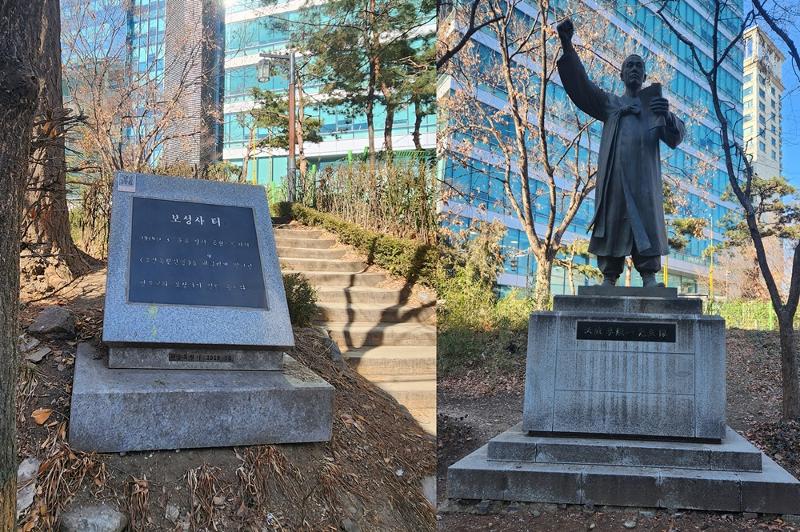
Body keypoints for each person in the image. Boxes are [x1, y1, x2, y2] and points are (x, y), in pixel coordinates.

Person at [556, 18, 685, 287]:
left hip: (644, 181)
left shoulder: (654, 105)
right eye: (630, 65)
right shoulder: (611, 104)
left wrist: (669, 117)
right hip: (615, 177)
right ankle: (609, 275)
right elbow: (583, 88)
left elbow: (676, 137)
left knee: (646, 222)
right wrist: (568, 45)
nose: (635, 69)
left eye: (639, 66)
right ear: (622, 74)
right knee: (612, 220)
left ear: (645, 76)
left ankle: (649, 275)